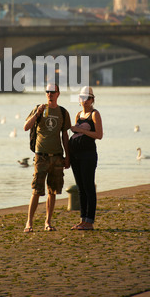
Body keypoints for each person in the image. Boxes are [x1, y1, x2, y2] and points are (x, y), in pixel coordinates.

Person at [23, 83, 71, 233]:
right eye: (47, 91)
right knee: (36, 190)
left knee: (53, 191)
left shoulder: (63, 112)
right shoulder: (39, 109)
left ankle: (48, 222)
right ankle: (29, 223)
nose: (50, 94)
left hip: (57, 156)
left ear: (58, 93)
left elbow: (65, 136)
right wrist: (37, 113)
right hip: (41, 156)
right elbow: (26, 127)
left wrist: (67, 156)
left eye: (52, 92)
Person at [69, 86, 103, 230]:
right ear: (79, 99)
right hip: (75, 155)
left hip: (88, 155)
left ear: (92, 100)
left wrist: (80, 129)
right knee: (80, 188)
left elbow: (99, 135)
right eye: (82, 98)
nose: (85, 101)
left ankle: (90, 221)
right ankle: (83, 220)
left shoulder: (95, 114)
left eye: (88, 98)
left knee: (89, 187)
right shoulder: (78, 115)